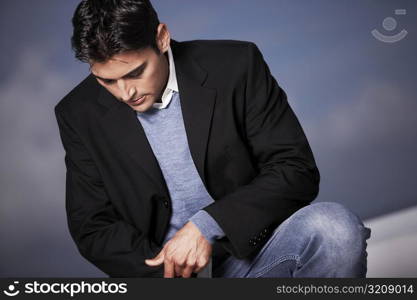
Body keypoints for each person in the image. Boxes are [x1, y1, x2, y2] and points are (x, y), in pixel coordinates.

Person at [55, 0, 371, 278]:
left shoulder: (236, 65)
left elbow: (294, 169)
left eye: (136, 73)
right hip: (165, 278)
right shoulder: (78, 113)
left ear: (161, 38)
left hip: (256, 254)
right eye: (107, 81)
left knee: (334, 229)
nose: (125, 93)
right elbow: (93, 226)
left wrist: (208, 225)